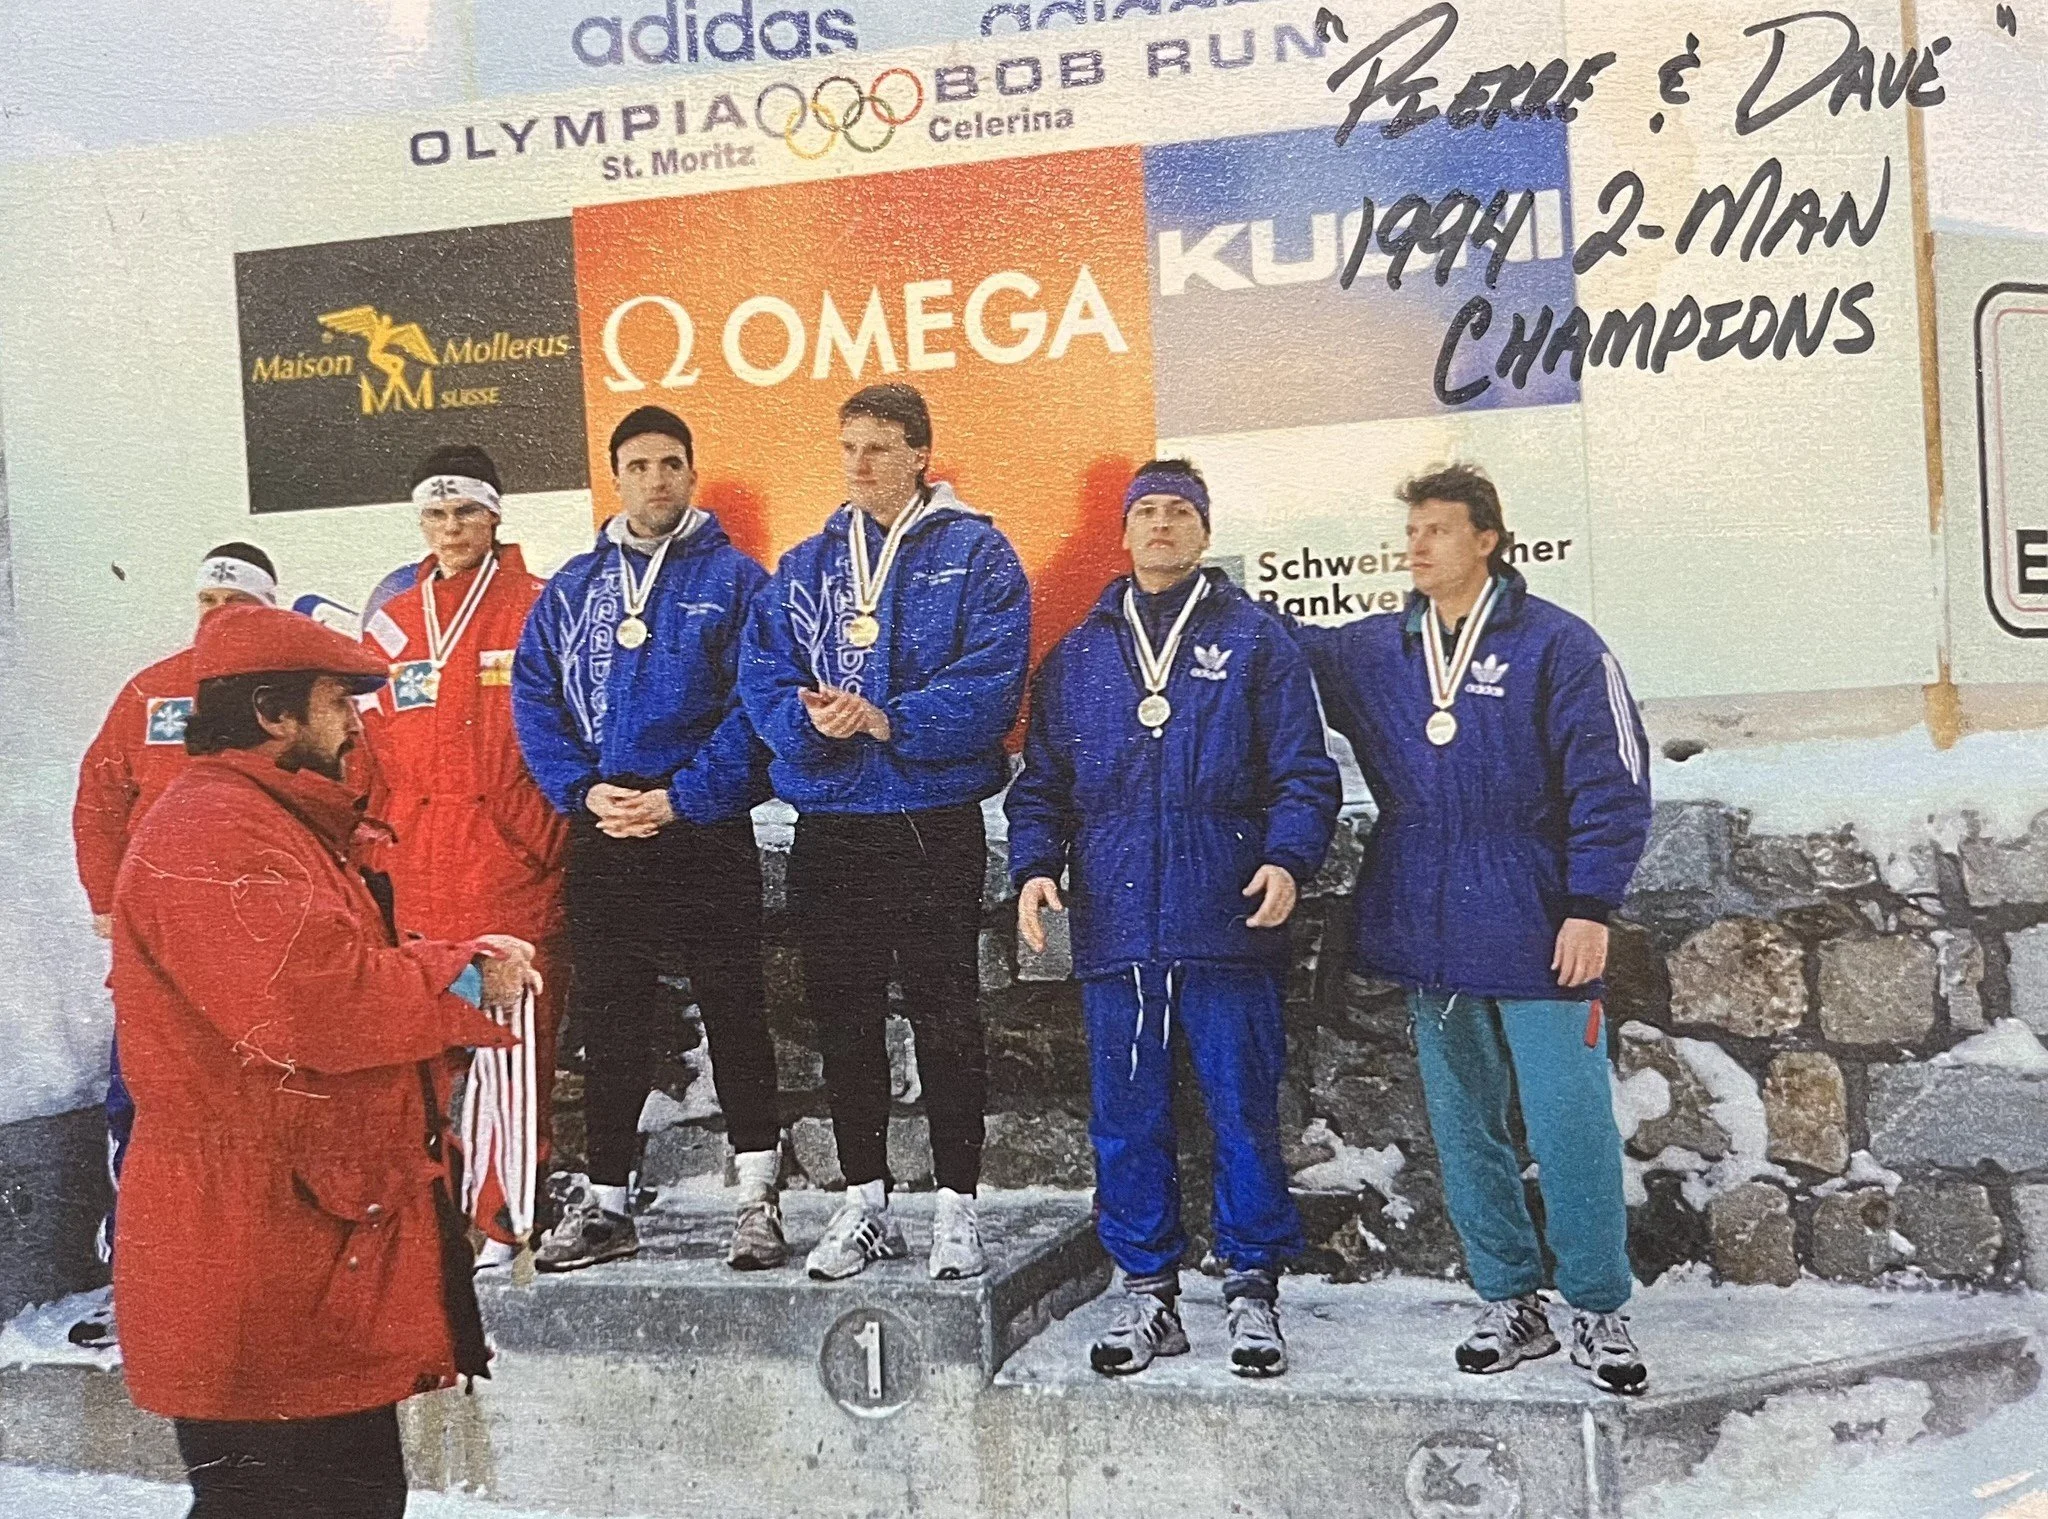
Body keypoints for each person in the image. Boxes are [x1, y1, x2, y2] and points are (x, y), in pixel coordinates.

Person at [110, 602, 539, 1517]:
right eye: (337, 700)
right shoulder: (214, 829)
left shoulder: (265, 819)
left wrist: (447, 957)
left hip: (288, 1250)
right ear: (273, 713)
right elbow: (313, 1003)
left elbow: (325, 962)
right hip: (255, 1257)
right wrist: (463, 980)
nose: (356, 721)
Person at [1290, 463, 1654, 1395]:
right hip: (1431, 920)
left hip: (1539, 919)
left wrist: (1591, 905)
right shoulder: (1378, 650)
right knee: (1465, 1127)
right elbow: (1280, 650)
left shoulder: (1559, 647)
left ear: (1487, 539)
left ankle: (1599, 1310)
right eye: (1412, 531)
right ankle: (1509, 1299)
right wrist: (1198, 584)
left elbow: (1611, 782)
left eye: (1439, 530)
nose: (1418, 546)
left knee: (1569, 1123)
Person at [1007, 459, 1340, 1377]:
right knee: (1126, 1116)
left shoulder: (1257, 641)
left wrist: (1287, 856)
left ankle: (1251, 1292)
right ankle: (1149, 1292)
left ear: (1203, 530)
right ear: (1123, 532)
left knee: (1241, 1109)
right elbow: (1043, 788)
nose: (1161, 525)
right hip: (1118, 923)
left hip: (1224, 915)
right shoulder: (1076, 656)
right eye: (1145, 511)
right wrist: (1034, 867)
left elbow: (1304, 774)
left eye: (1178, 512)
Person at [740, 383, 1030, 1282]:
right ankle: (865, 1199)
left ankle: (958, 1204)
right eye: (848, 448)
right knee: (845, 1016)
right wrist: (807, 721)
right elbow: (763, 670)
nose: (859, 464)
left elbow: (993, 677)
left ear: (920, 456)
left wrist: (888, 719)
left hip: (928, 818)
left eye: (878, 448)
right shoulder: (805, 564)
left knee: (945, 1013)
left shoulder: (977, 554)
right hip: (834, 820)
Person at [513, 405, 786, 1272]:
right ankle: (605, 1204)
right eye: (639, 465)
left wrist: (686, 796)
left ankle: (757, 1197)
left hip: (700, 824)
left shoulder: (739, 581)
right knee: (612, 1019)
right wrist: (582, 789)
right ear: (616, 476)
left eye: (672, 464)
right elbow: (535, 699)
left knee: (737, 1006)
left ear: (692, 475)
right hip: (605, 826)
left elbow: (759, 705)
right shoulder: (573, 587)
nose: (656, 480)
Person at [358, 446, 568, 1270]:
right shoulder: (391, 621)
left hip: (508, 857)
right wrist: (377, 836)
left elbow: (569, 728)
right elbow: (364, 741)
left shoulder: (538, 606)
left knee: (512, 1042)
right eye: (436, 516)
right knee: (428, 1044)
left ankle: (506, 1214)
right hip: (421, 864)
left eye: (467, 513)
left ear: (496, 516)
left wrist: (538, 831)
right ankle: (440, 1212)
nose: (451, 530)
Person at [68, 540, 280, 1347]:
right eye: (210, 605)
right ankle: (137, 1288)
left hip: (248, 955)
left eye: (239, 606)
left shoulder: (286, 698)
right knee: (145, 1111)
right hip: (155, 958)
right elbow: (97, 798)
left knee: (248, 1118)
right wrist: (106, 902)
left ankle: (244, 1288)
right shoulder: (150, 690)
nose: (221, 619)